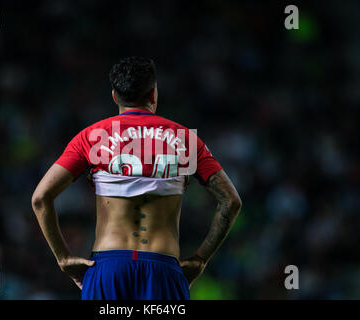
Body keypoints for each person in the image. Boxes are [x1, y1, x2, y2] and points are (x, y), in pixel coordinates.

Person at [31, 56, 242, 300]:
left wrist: (64, 257)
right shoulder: (185, 139)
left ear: (114, 96)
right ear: (153, 94)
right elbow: (231, 201)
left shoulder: (91, 137)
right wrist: (200, 259)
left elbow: (40, 198)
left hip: (109, 269)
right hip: (163, 269)